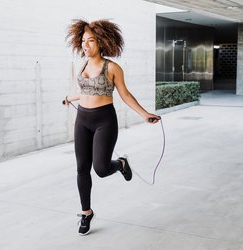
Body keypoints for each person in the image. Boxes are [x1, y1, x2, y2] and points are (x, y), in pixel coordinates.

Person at [64, 19, 160, 236]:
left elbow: (125, 94)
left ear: (101, 42)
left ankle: (120, 163)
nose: (85, 45)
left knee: (100, 168)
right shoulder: (84, 64)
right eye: (83, 41)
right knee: (81, 168)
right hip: (83, 120)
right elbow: (87, 90)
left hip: (104, 121)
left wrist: (145, 114)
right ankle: (86, 213)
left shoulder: (112, 68)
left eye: (90, 41)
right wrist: (69, 98)